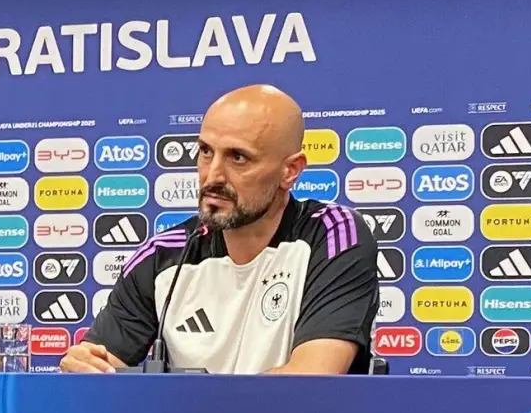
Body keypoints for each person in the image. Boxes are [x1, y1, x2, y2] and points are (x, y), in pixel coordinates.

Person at [62, 84, 378, 375]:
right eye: (205, 152)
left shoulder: (333, 235)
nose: (213, 176)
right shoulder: (161, 257)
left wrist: (191, 404)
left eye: (237, 157)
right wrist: (86, 369)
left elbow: (311, 379)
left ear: (289, 171)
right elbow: (102, 374)